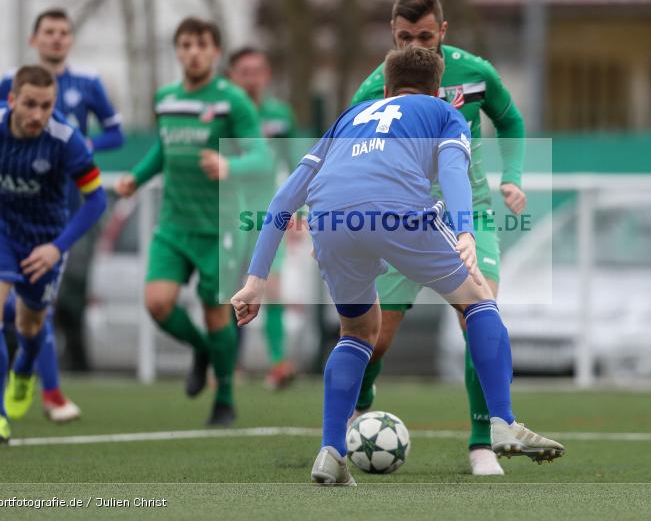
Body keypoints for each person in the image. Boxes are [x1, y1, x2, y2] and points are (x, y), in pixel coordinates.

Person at [232, 46, 564, 486]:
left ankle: (331, 451)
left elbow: (284, 198)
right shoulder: (442, 113)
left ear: (386, 88)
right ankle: (501, 421)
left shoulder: (348, 118)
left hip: (330, 219)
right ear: (438, 90)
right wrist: (465, 230)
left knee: (356, 333)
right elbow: (452, 172)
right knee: (478, 300)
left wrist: (255, 280)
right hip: (398, 212)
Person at [349, 0, 526, 475]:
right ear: (392, 34)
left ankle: (482, 442)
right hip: (399, 221)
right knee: (375, 339)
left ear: (443, 33)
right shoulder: (375, 87)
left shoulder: (476, 74)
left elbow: (510, 122)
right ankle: (363, 396)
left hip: (469, 217)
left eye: (425, 37)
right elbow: (349, 149)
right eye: (405, 38)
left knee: (480, 316)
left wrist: (512, 176)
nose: (415, 49)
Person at [0, 9, 125, 423]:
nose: (57, 39)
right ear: (34, 39)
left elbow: (116, 133)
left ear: (71, 40)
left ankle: (31, 376)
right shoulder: (9, 81)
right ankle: (43, 389)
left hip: (65, 207)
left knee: (39, 307)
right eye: (49, 32)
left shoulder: (87, 83)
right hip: (9, 205)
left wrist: (78, 144)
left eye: (64, 33)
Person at [0, 65, 107, 447]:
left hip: (44, 240)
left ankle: (25, 370)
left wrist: (56, 247)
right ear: (11, 100)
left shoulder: (66, 139)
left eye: (46, 106)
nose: (37, 115)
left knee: (31, 327)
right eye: (29, 104)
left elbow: (96, 200)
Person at [115, 17, 271, 426]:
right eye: (186, 45)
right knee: (157, 303)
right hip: (173, 224)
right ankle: (202, 349)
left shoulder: (231, 100)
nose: (194, 52)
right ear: (178, 50)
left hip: (218, 228)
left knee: (215, 313)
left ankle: (224, 397)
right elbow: (164, 151)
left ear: (216, 51)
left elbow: (262, 157)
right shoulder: (166, 98)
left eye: (202, 44)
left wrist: (229, 164)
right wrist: (138, 175)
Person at [227, 47, 298, 390]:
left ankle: (277, 363)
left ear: (266, 75)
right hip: (230, 213)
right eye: (244, 71)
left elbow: (297, 164)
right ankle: (230, 365)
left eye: (257, 71)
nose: (251, 78)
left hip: (269, 214)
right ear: (232, 76)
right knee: (232, 290)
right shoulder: (224, 113)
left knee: (274, 287)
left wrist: (298, 210)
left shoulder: (279, 115)